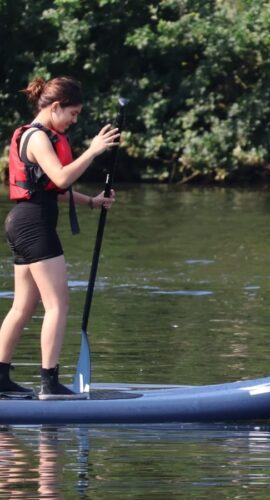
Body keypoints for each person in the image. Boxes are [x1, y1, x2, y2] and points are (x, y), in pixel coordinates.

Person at [0, 76, 120, 400]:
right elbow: (62, 176)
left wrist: (92, 202)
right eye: (73, 113)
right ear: (55, 107)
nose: (74, 120)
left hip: (25, 222)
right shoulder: (38, 138)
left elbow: (53, 189)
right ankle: (49, 383)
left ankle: (0, 378)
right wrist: (94, 150)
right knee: (58, 303)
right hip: (34, 225)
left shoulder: (37, 136)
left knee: (23, 306)